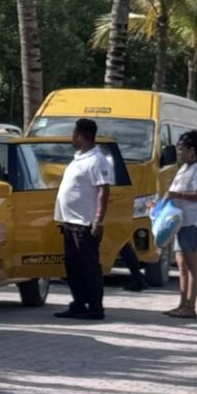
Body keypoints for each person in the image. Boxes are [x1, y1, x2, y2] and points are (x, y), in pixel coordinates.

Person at [53, 117, 113, 322]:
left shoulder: (97, 160)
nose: (71, 136)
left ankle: (96, 308)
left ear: (81, 135)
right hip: (70, 222)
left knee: (89, 267)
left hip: (85, 223)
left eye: (73, 133)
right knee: (73, 267)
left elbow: (103, 190)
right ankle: (79, 303)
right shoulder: (80, 157)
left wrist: (99, 220)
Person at [165, 130, 197, 320]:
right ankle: (182, 304)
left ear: (192, 150)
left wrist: (179, 196)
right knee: (181, 264)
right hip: (181, 222)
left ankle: (191, 305)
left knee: (193, 264)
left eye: (182, 149)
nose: (179, 153)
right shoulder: (184, 169)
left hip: (194, 222)